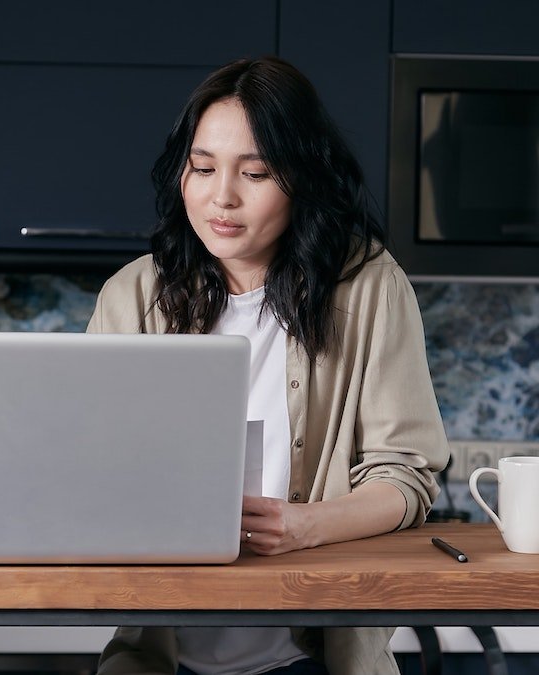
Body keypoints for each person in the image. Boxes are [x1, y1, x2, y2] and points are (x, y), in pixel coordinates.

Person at [88, 56, 449, 674]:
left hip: (314, 658)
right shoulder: (132, 295)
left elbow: (405, 479)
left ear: (302, 178)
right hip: (157, 658)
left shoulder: (369, 287)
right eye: (202, 168)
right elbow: (84, 470)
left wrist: (304, 526)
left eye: (255, 172)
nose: (221, 197)